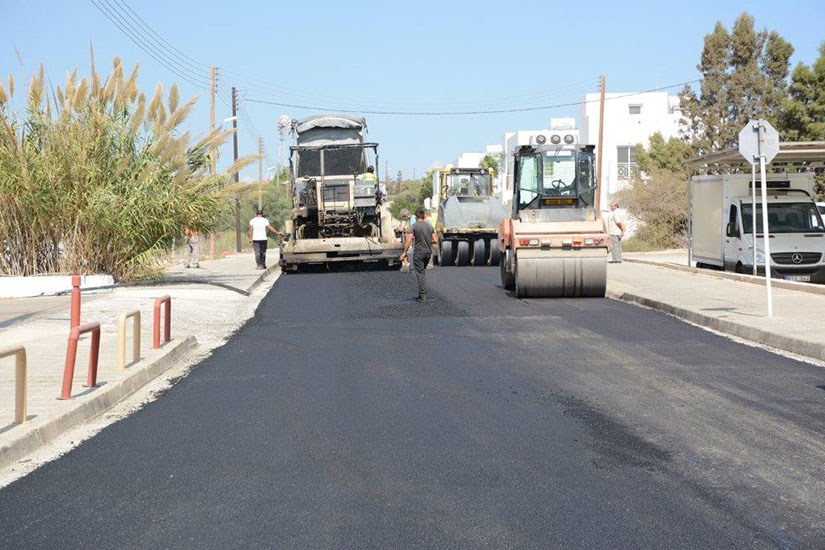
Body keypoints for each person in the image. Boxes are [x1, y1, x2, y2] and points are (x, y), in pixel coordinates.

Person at [401, 209, 435, 302]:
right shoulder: (430, 226)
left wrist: (405, 252)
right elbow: (435, 240)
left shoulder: (414, 226)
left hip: (419, 253)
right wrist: (427, 240)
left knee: (420, 274)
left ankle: (422, 296)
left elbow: (409, 240)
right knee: (422, 272)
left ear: (416, 217)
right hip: (428, 253)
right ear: (424, 216)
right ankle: (422, 293)